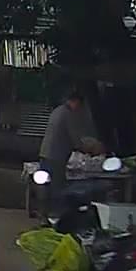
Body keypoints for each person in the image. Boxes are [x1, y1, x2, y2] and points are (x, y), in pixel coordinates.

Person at [39, 88, 104, 216]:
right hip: (56, 156)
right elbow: (74, 138)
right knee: (57, 188)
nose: (78, 108)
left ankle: (45, 214)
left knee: (46, 187)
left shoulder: (57, 110)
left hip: (45, 154)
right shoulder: (67, 114)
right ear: (74, 101)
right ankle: (56, 214)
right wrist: (89, 149)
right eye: (79, 105)